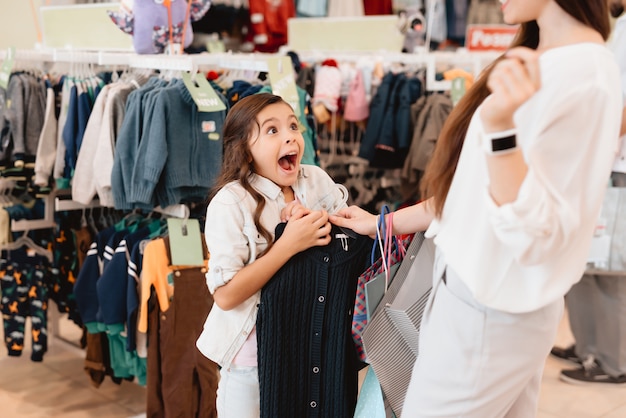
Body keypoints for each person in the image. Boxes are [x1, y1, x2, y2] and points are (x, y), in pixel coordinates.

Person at [330, 1, 622, 416]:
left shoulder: (580, 74)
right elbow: (471, 191)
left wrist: (502, 132)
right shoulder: (549, 60)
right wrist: (386, 222)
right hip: (481, 300)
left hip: (491, 308)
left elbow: (538, 233)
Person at [195, 93, 348, 417]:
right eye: (272, 130)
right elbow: (225, 296)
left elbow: (346, 242)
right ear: (244, 148)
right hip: (252, 359)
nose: (291, 135)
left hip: (311, 346)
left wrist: (322, 225)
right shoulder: (230, 203)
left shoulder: (316, 180)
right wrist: (288, 244)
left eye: (293, 125)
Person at [550, 0, 626, 386]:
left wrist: (596, 149)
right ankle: (587, 346)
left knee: (608, 269)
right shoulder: (615, 30)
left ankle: (614, 363)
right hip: (601, 167)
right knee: (584, 264)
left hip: (614, 169)